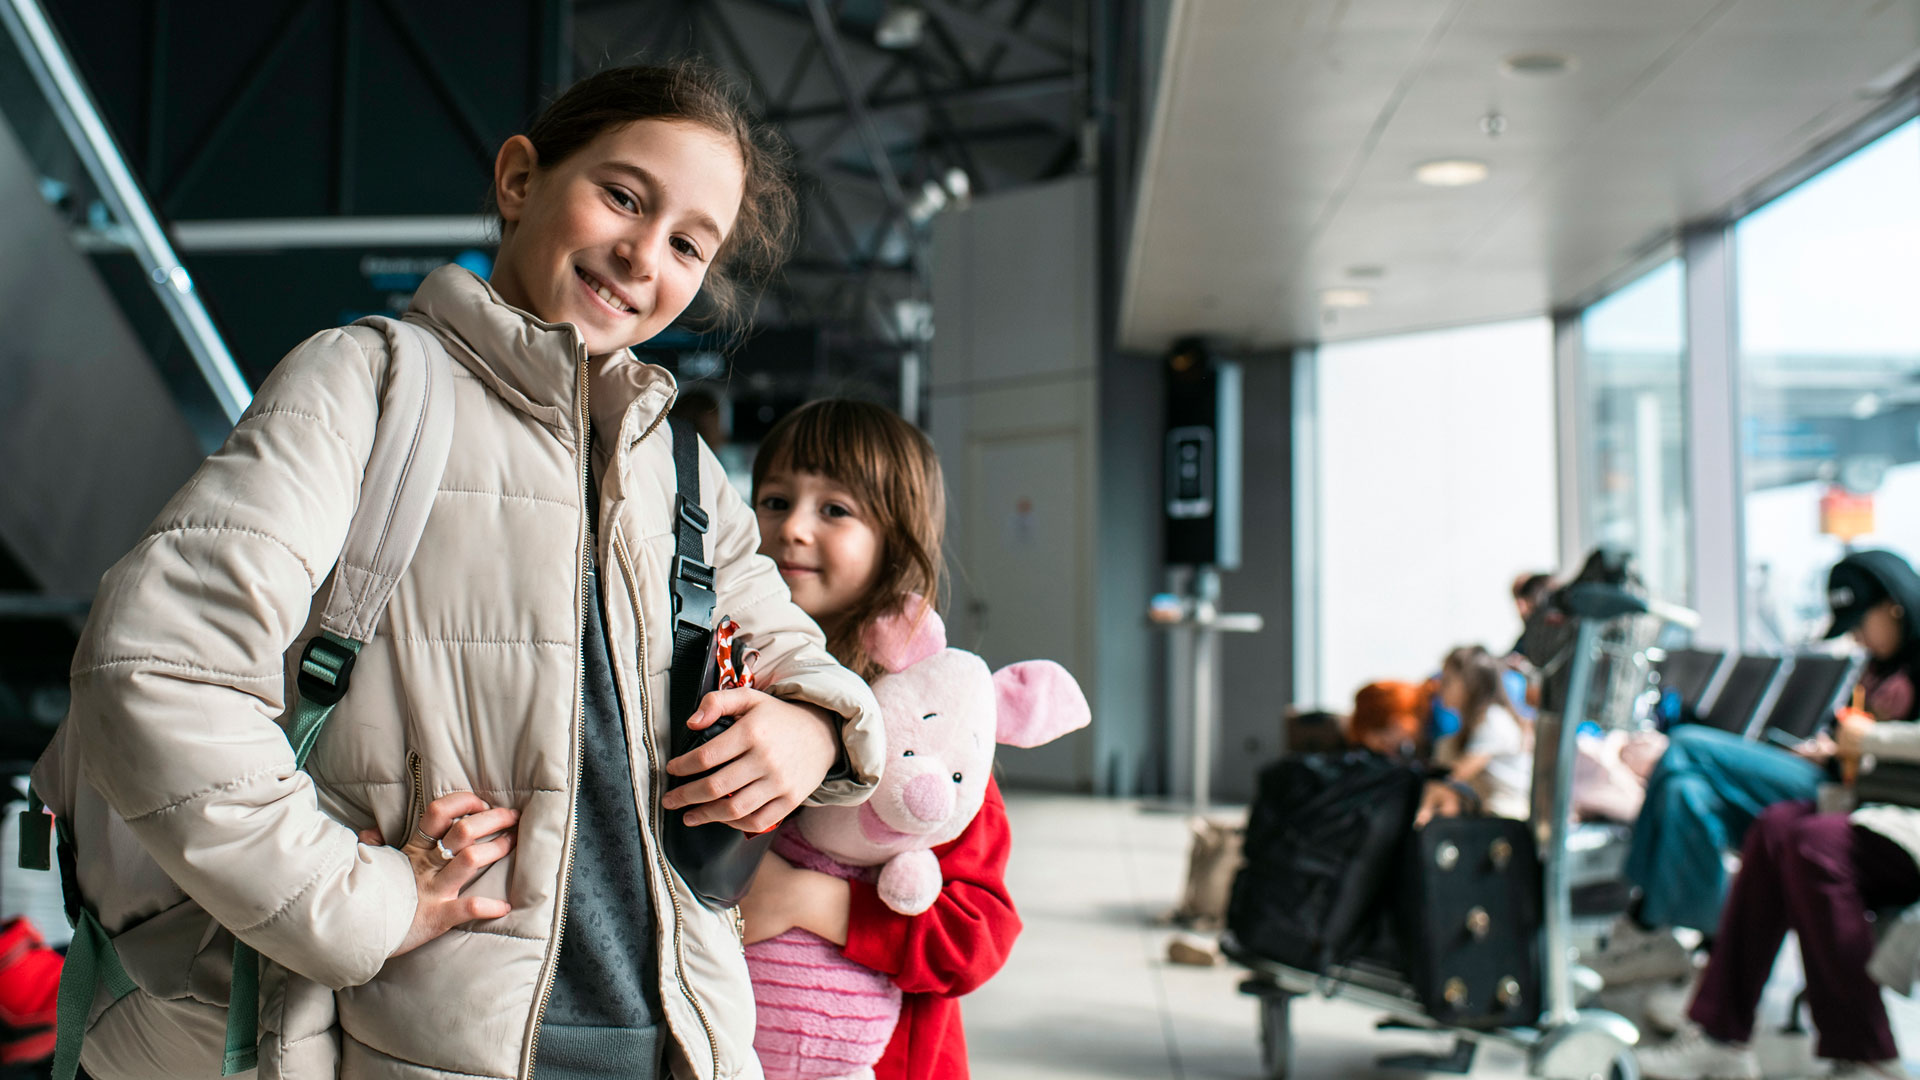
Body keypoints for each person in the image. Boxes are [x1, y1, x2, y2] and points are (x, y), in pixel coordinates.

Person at [63, 61, 885, 1080]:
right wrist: (362, 901)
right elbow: (154, 671)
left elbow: (798, 655)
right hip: (416, 1044)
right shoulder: (369, 386)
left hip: (675, 1038)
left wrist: (810, 727)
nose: (642, 255)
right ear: (519, 181)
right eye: (623, 196)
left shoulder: (677, 464)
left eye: (687, 243)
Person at [736, 399, 1022, 1080]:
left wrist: (813, 901)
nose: (793, 529)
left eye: (835, 509)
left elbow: (974, 938)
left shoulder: (932, 724)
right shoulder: (724, 669)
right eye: (774, 500)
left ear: (895, 543)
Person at [1587, 549, 1920, 989]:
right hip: (1829, 775)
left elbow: (1868, 743)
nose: (1857, 639)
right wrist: (1830, 746)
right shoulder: (1877, 669)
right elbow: (1841, 733)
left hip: (1859, 800)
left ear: (1894, 607)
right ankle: (1686, 944)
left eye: (1861, 624)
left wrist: (1865, 741)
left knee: (1683, 747)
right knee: (1685, 792)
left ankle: (1652, 925)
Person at [1637, 710, 1918, 1080]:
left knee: (1813, 846)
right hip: (1876, 796)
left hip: (1902, 815)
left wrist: (1868, 739)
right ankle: (1720, 1036)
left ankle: (1867, 1053)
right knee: (1774, 826)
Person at [1428, 646, 1533, 822]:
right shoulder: (1471, 722)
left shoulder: (1494, 720)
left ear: (1470, 684)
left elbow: (1458, 773)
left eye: (1447, 681)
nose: (1440, 687)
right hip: (1490, 813)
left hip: (1510, 817)